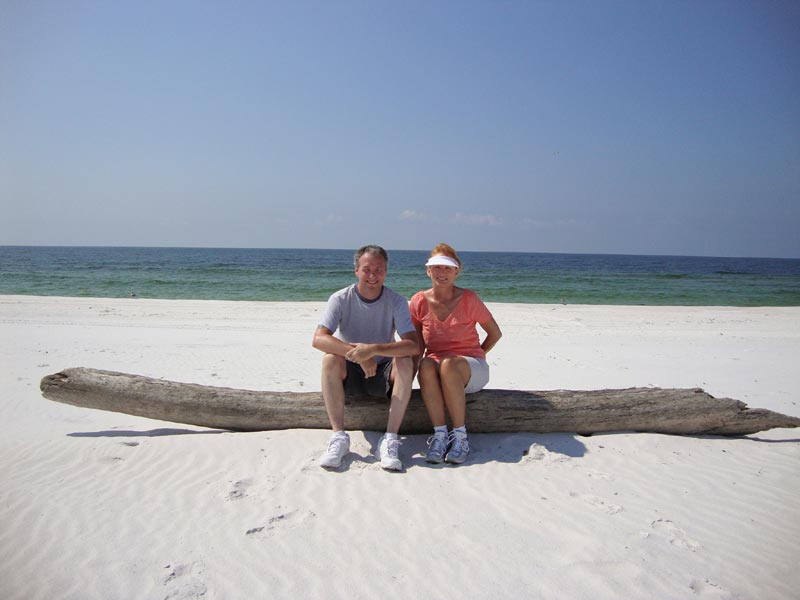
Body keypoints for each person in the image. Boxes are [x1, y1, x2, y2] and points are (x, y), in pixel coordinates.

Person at [312, 245, 419, 471]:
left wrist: (372, 350)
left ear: (386, 272)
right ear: (356, 271)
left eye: (379, 269)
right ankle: (339, 437)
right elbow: (319, 339)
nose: (372, 275)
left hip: (382, 372)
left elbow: (413, 345)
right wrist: (358, 355)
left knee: (405, 361)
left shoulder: (397, 301)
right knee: (330, 359)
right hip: (350, 371)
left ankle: (390, 438)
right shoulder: (340, 298)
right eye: (367, 269)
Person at [410, 243, 502, 465]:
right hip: (436, 369)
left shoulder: (469, 298)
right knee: (425, 364)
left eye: (448, 268)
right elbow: (416, 344)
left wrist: (478, 354)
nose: (442, 273)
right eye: (437, 268)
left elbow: (495, 333)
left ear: (457, 272)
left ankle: (460, 437)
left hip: (470, 369)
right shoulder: (418, 301)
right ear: (428, 271)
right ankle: (440, 436)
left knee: (449, 364)